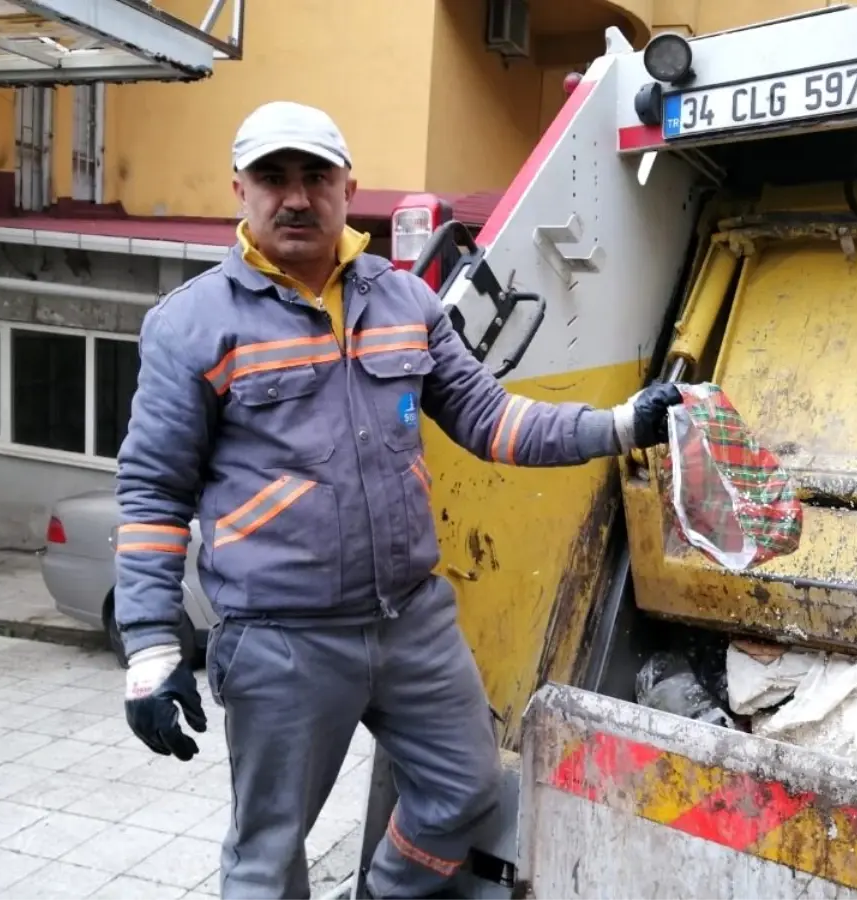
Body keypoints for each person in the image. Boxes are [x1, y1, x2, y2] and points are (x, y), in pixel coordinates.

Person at [113, 100, 684, 900]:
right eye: (273, 178)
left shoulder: (406, 302)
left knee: (464, 789)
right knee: (267, 854)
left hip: (411, 621)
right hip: (283, 639)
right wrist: (150, 648)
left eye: (315, 176)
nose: (296, 197)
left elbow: (493, 421)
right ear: (239, 189)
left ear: (348, 187)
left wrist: (622, 423)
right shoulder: (193, 326)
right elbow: (153, 489)